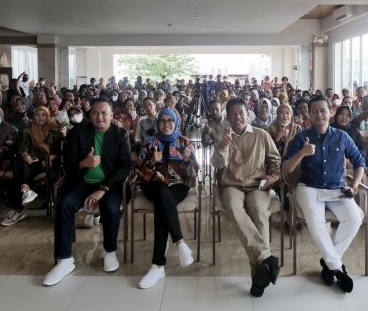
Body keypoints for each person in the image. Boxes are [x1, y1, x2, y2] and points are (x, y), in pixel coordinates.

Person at [43, 99, 132, 286]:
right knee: (65, 204)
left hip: (108, 186)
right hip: (82, 183)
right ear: (90, 116)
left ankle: (109, 251)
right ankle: (64, 260)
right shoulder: (78, 133)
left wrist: (103, 189)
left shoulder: (120, 135)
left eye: (104, 113)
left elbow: (125, 168)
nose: (99, 117)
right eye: (95, 113)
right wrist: (84, 163)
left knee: (111, 207)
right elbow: (66, 163)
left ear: (111, 115)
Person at [282, 95, 365, 294]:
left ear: (330, 112)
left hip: (337, 189)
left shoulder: (342, 136)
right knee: (316, 221)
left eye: (323, 110)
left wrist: (353, 185)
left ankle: (329, 262)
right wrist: (302, 153)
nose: (319, 114)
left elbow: (359, 162)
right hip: (309, 188)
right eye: (315, 111)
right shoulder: (301, 138)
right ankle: (339, 270)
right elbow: (285, 168)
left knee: (354, 219)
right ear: (309, 114)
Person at [211, 98, 281, 297]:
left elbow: (275, 159)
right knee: (234, 208)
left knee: (259, 212)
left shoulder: (261, 135)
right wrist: (223, 146)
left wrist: (273, 176)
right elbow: (217, 164)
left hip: (258, 186)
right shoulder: (224, 137)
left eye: (241, 112)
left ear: (247, 113)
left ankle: (259, 274)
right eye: (233, 114)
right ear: (228, 117)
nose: (237, 117)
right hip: (232, 185)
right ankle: (265, 257)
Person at [136, 108, 197, 288]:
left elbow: (193, 176)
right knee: (162, 191)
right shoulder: (149, 143)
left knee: (163, 201)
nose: (166, 124)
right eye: (162, 120)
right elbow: (140, 175)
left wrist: (187, 160)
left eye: (170, 120)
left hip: (178, 187)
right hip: (152, 186)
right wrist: (150, 162)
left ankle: (158, 265)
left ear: (176, 122)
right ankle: (180, 242)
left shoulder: (184, 142)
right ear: (157, 123)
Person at [3, 106, 66, 226]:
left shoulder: (55, 129)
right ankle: (26, 190)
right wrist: (25, 154)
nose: (40, 117)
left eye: (43, 115)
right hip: (31, 161)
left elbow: (60, 150)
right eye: (37, 114)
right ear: (33, 116)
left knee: (18, 173)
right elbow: (23, 147)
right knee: (19, 160)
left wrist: (64, 135)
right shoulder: (28, 130)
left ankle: (18, 210)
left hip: (47, 162)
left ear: (48, 116)